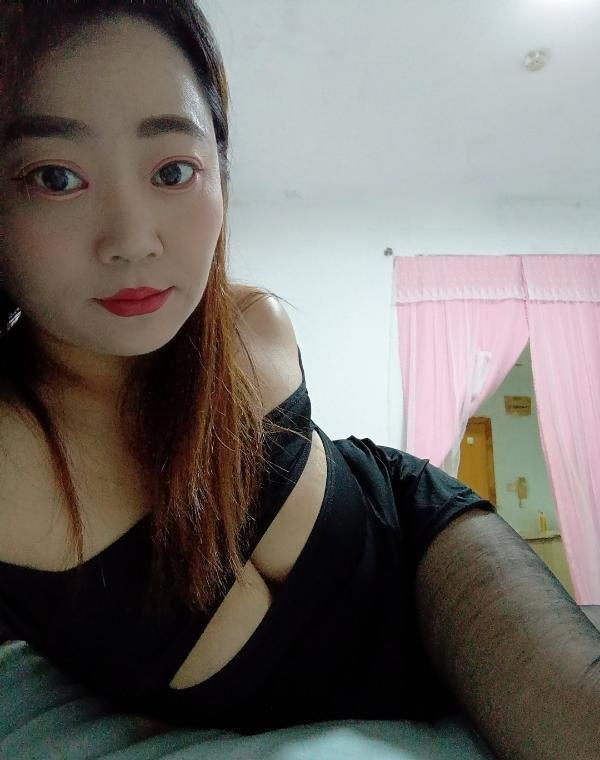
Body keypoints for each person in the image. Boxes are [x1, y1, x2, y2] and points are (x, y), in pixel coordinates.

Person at [0, 2, 598, 757]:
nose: (132, 241)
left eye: (174, 170)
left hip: (417, 540)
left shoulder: (255, 324)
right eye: (54, 177)